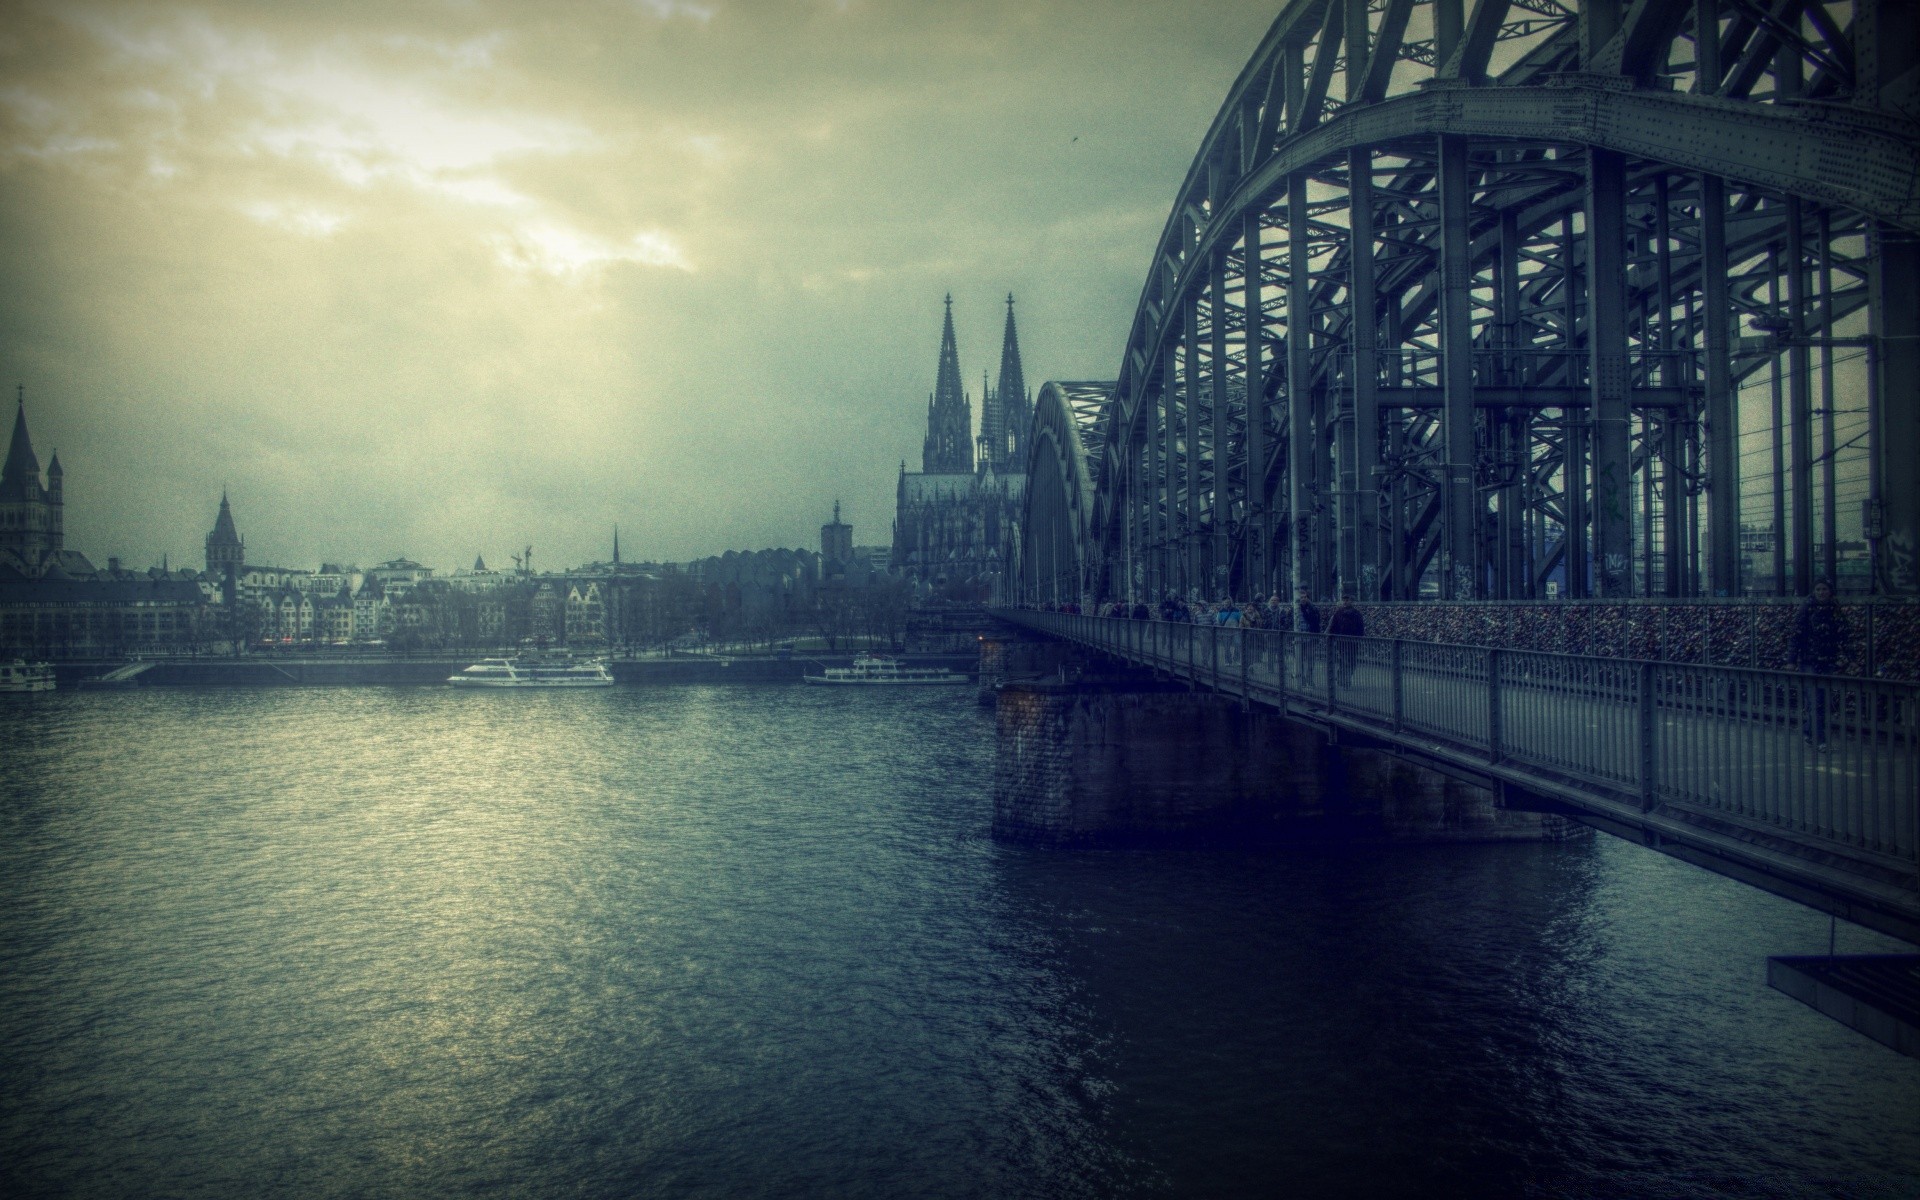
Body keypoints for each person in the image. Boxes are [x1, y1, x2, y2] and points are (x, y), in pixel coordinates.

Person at [1791, 580, 1847, 748]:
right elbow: (1796, 636)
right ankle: (1820, 740)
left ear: (1830, 591)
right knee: (1816, 701)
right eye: (1818, 589)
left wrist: (1848, 657)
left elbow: (1843, 634)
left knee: (1822, 701)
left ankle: (1809, 731)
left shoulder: (1835, 610)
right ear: (1813, 592)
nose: (1821, 593)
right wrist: (1791, 661)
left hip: (1828, 661)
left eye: (1824, 589)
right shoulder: (1806, 609)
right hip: (1809, 661)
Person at [1328, 594, 1364, 689]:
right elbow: (1333, 626)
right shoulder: (1338, 613)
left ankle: (1342, 677)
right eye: (1344, 600)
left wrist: (1360, 639)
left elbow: (1360, 628)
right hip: (1341, 642)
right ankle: (1346, 681)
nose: (1345, 602)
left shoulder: (1356, 614)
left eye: (1347, 600)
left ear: (1351, 601)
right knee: (1345, 661)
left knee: (1351, 662)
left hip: (1353, 642)